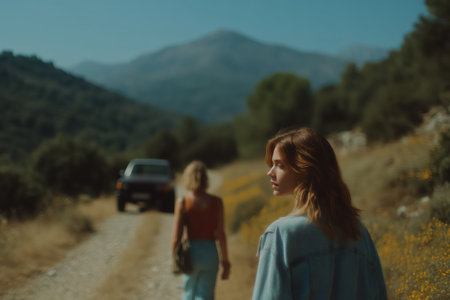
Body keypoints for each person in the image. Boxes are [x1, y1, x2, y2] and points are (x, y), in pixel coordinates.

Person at [252, 127, 387, 300]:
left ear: (305, 169)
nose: (270, 172)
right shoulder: (358, 231)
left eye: (280, 165)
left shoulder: (281, 234)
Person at [172, 160, 231, 300]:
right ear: (205, 178)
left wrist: (174, 259)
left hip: (191, 252)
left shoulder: (182, 202)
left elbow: (176, 237)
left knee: (188, 293)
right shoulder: (217, 202)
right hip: (210, 252)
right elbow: (221, 234)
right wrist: (226, 262)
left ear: (187, 178)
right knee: (206, 295)